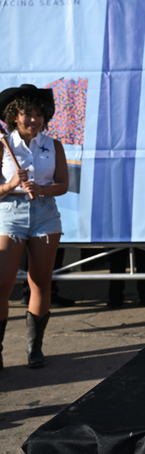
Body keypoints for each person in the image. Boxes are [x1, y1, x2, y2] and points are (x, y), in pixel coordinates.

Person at [0, 84, 68, 369]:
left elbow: (63, 185)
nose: (34, 119)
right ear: (15, 115)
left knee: (40, 282)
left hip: (45, 215)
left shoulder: (54, 145)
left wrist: (41, 188)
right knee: (2, 284)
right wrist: (12, 184)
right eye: (28, 113)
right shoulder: (3, 144)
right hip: (9, 215)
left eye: (39, 114)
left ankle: (34, 348)